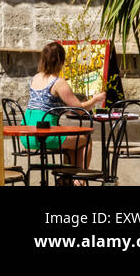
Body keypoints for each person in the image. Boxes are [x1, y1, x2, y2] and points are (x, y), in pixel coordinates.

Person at [24, 41, 106, 180]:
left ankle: (66, 180)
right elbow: (79, 110)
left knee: (73, 143)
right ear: (61, 62)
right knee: (85, 140)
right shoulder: (58, 82)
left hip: (27, 135)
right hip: (44, 136)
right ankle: (79, 181)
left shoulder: (35, 78)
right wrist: (95, 100)